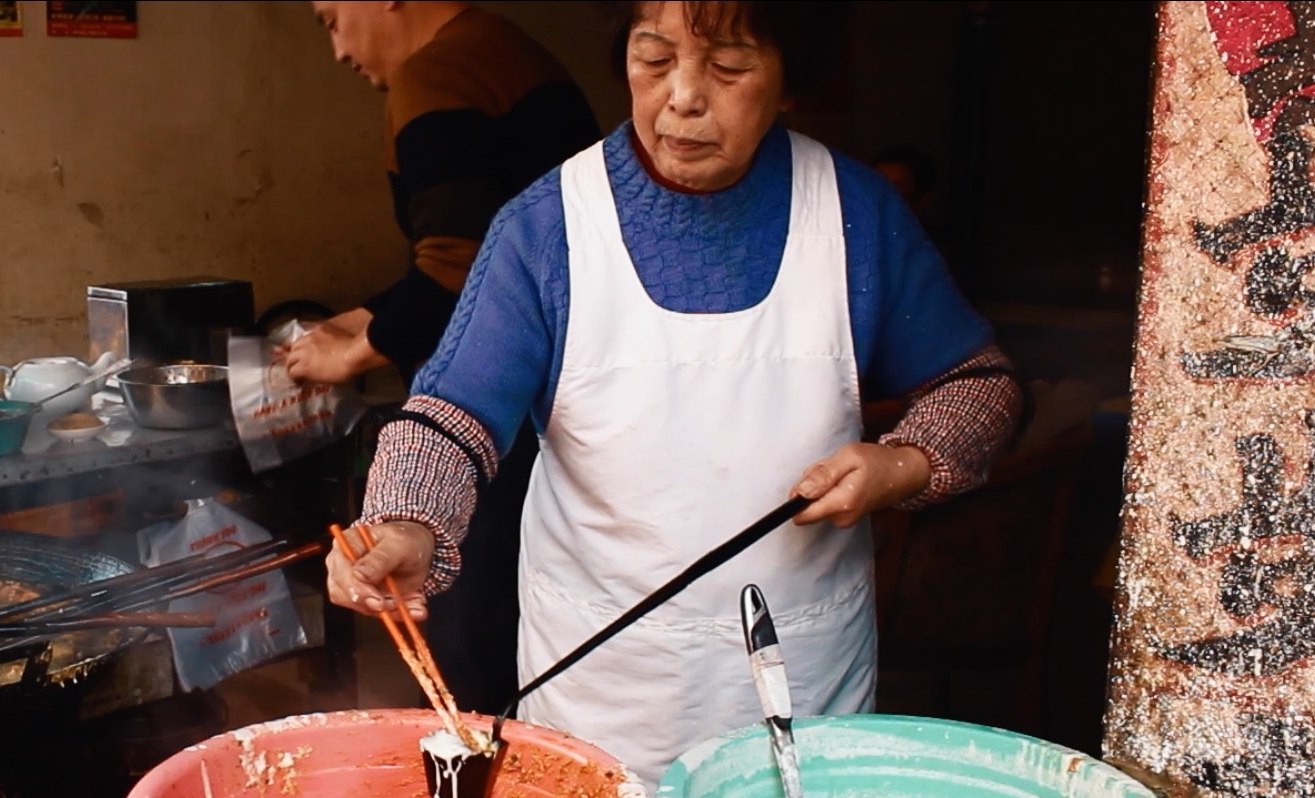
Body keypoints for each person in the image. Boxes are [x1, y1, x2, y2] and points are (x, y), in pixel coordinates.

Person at [325, 0, 1025, 788]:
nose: (683, 97)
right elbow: (450, 415)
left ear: (790, 79)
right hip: (604, 693)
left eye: (728, 66)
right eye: (654, 59)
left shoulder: (856, 215)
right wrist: (407, 521)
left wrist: (904, 464)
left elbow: (980, 386)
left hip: (805, 683)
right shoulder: (548, 226)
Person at [294, 0, 603, 717]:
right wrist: (360, 319)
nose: (338, 50)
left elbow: (459, 268)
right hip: (572, 398)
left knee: (470, 647)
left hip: (501, 415)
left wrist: (355, 354)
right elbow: (483, 243)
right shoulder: (514, 51)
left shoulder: (434, 74)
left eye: (332, 19)